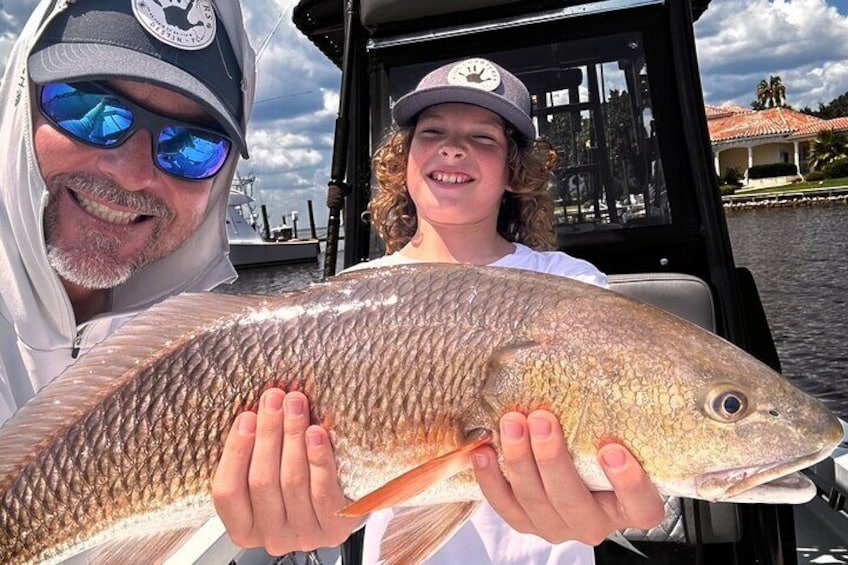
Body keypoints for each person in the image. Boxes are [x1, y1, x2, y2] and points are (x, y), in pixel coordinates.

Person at [212, 58, 664, 564]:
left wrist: (618, 504)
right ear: (403, 161)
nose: (454, 147)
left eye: (484, 138)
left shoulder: (573, 284)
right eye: (433, 132)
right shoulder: (350, 294)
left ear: (515, 171)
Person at [0, 0, 255, 560]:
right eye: (90, 107)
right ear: (20, 101)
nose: (135, 171)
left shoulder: (217, 360)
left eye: (191, 147)